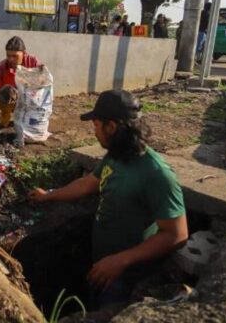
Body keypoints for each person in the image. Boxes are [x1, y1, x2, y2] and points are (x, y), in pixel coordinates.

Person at [29, 90, 188, 309]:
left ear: (111, 127)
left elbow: (177, 234)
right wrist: (49, 195)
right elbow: (88, 183)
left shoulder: (157, 174)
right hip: (101, 267)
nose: (94, 132)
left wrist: (120, 260)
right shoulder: (116, 156)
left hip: (126, 277)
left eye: (96, 125)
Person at [0, 36, 40, 127]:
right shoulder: (2, 66)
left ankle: (29, 119)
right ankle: (5, 116)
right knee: (5, 92)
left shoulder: (33, 62)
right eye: (8, 55)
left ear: (24, 53)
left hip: (30, 102)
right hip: (11, 102)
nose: (11, 59)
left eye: (15, 56)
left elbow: (44, 83)